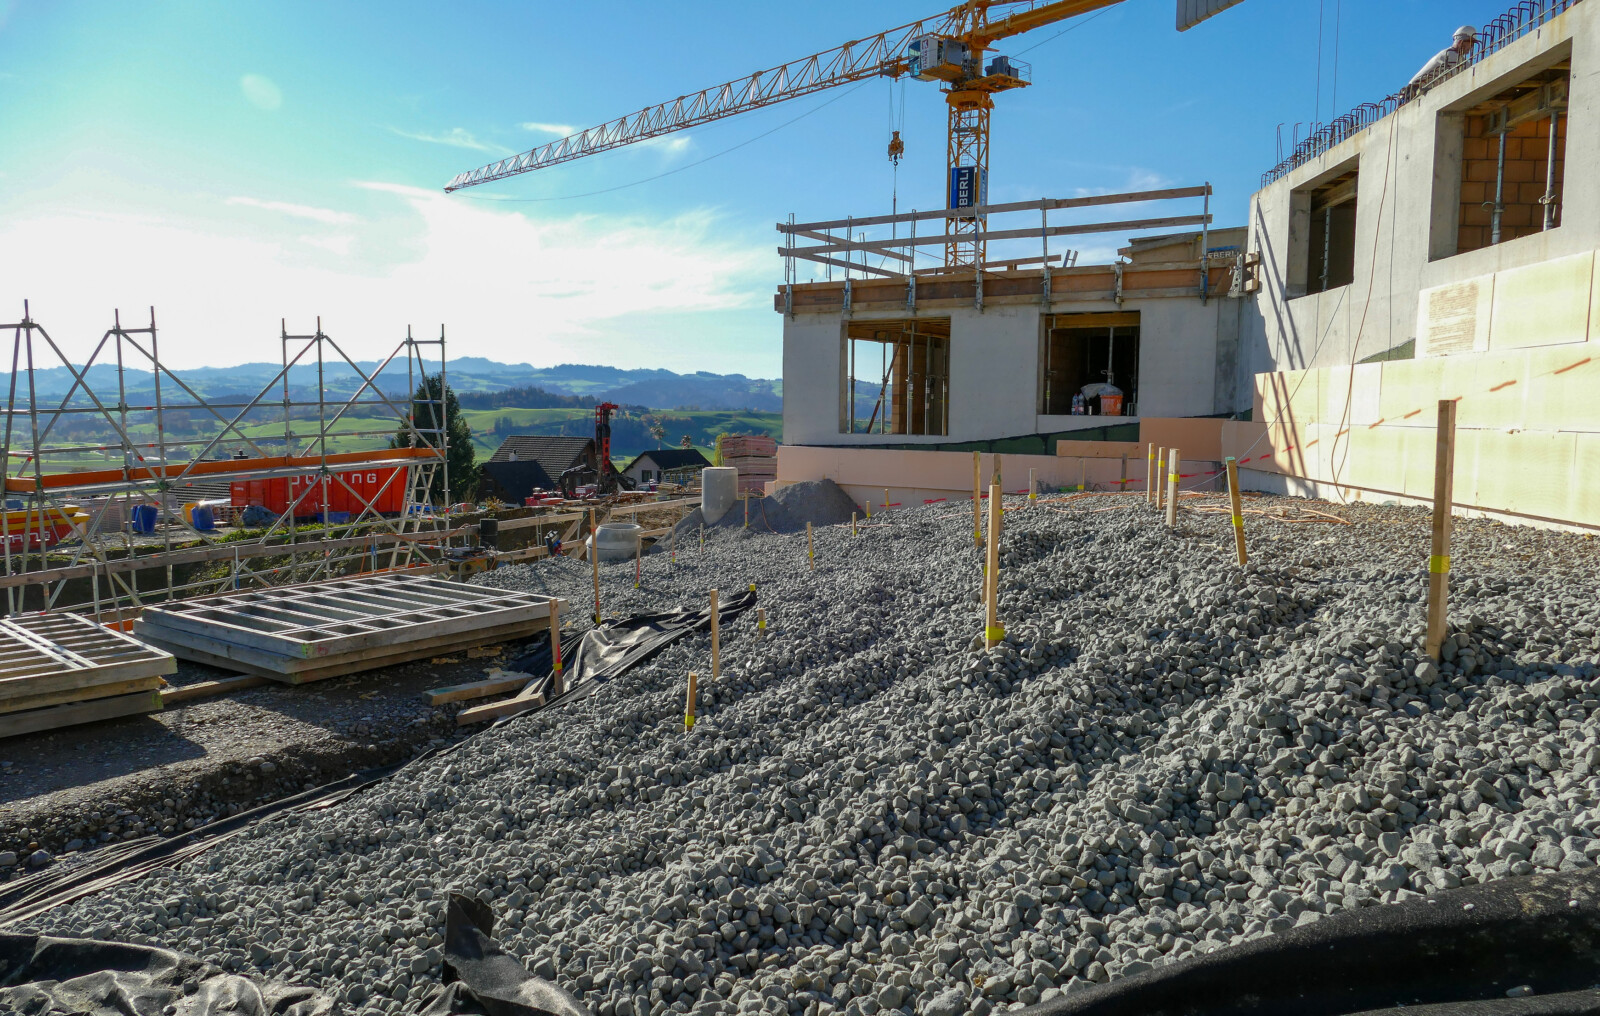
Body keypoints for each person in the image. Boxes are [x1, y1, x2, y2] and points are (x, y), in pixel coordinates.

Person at [1406, 25, 1477, 98]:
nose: (1471, 46)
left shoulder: (1452, 54)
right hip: (1412, 92)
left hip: (1416, 91)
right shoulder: (1451, 54)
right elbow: (1469, 74)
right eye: (1470, 43)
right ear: (1461, 42)